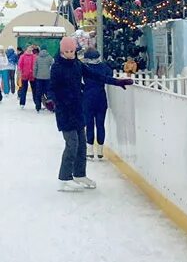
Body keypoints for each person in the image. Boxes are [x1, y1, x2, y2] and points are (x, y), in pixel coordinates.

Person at [48, 38, 132, 192]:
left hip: (78, 109)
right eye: (66, 52)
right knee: (72, 144)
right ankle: (64, 178)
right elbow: (52, 88)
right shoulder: (57, 67)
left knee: (81, 144)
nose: (69, 54)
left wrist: (117, 82)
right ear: (61, 52)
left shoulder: (77, 64)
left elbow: (96, 76)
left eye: (71, 51)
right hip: (65, 111)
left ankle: (79, 174)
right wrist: (52, 100)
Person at [82, 49, 114, 160]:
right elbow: (110, 76)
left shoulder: (85, 68)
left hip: (87, 98)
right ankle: (100, 151)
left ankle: (90, 151)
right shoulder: (104, 67)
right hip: (101, 97)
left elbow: (78, 81)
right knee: (100, 124)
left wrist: (84, 88)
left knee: (89, 124)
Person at [17, 47, 40, 111]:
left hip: (32, 75)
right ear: (26, 50)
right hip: (25, 75)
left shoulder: (34, 57)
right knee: (24, 89)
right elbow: (20, 65)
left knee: (34, 90)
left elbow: (36, 65)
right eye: (28, 50)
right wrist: (19, 73)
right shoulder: (23, 56)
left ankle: (36, 102)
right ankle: (22, 103)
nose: (29, 51)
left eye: (30, 50)